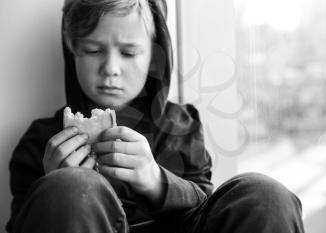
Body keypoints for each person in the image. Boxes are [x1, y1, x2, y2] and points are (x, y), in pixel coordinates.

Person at [6, 0, 305, 232]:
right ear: (73, 50)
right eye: (94, 50)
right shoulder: (41, 141)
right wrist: (55, 186)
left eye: (128, 53)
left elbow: (206, 206)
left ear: (154, 53)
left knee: (264, 195)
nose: (111, 67)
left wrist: (157, 181)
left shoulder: (181, 126)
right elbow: (20, 223)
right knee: (69, 188)